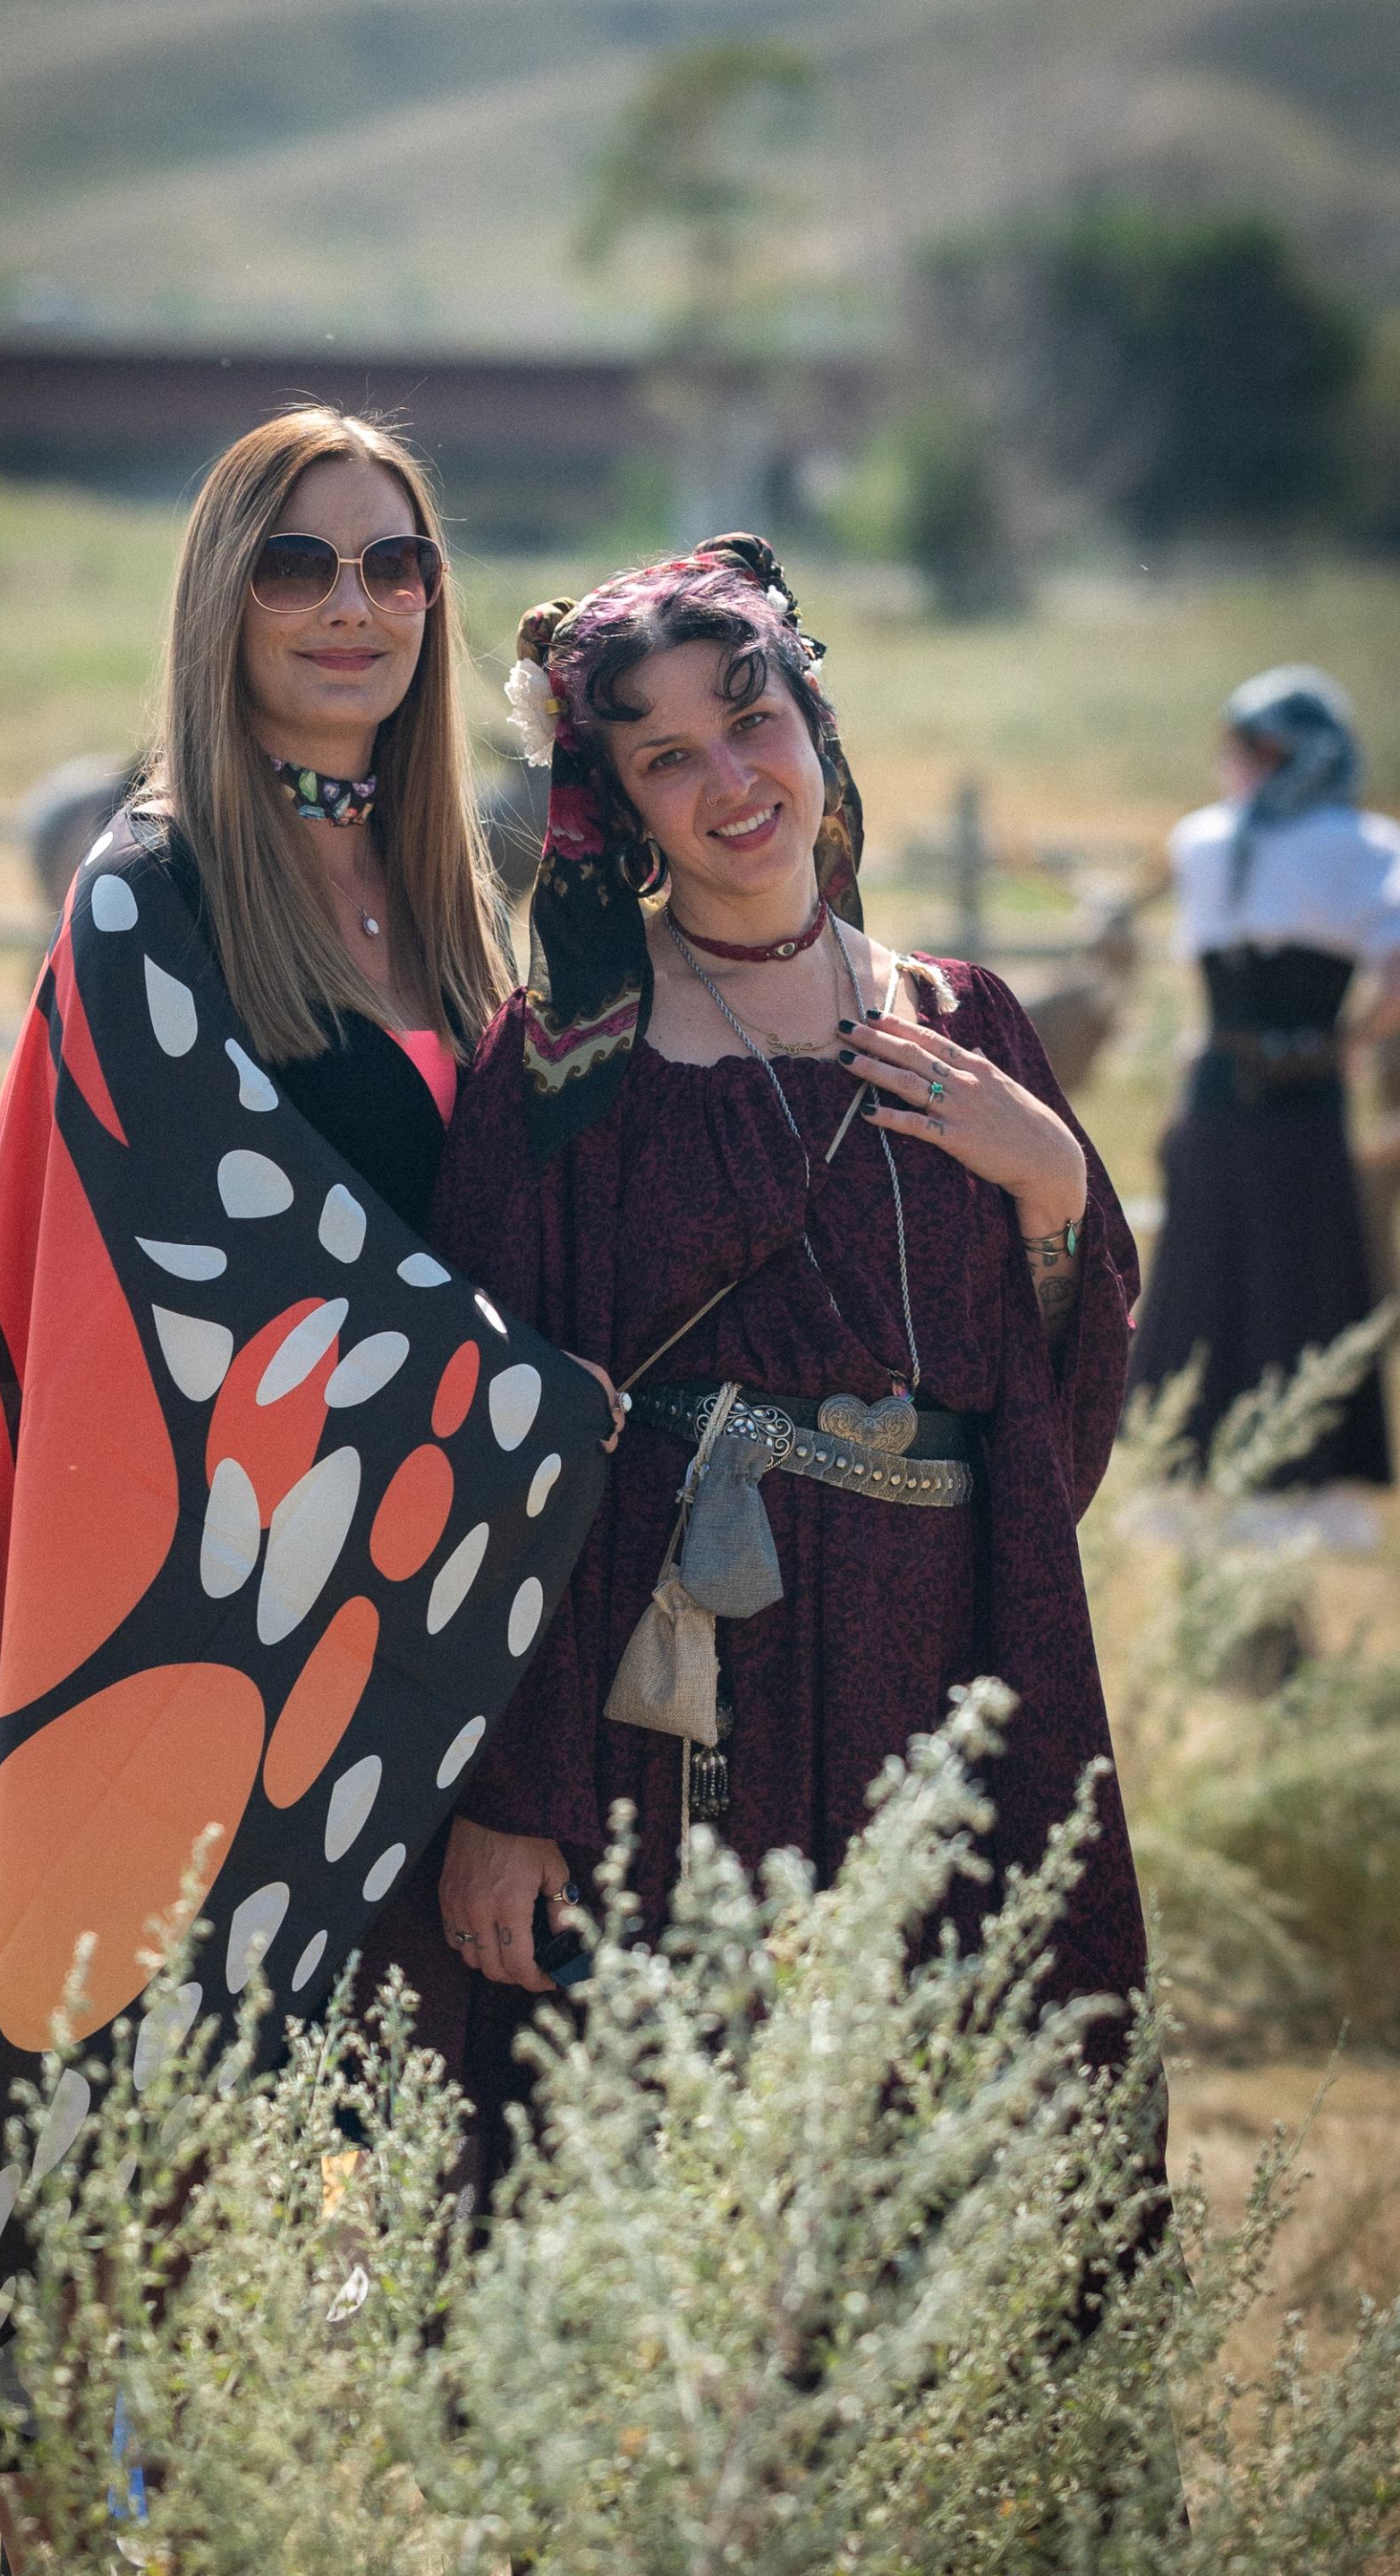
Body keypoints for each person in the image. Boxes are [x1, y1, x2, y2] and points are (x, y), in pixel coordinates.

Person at [0, 407, 618, 2576]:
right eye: (299, 563)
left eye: (393, 565)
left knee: (240, 2220)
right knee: (112, 2162)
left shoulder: (434, 903)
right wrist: (546, 1419)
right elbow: (218, 1248)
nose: (353, 604)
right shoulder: (157, 886)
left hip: (357, 1657)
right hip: (156, 1637)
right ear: (222, 597)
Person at [350, 532, 1153, 2196]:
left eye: (752, 716)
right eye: (667, 756)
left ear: (813, 714)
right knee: (668, 2157)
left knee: (924, 2137)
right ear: (615, 804)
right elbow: (496, 1450)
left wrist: (1055, 1187)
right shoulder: (565, 1061)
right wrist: (512, 1792)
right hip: (674, 1704)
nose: (732, 779)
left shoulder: (971, 1024)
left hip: (939, 1681)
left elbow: (1059, 1435)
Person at [1127, 666, 1400, 1484]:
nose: (1234, 762)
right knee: (1302, 1279)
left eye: (1249, 746)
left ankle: (1192, 1468)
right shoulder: (1370, 847)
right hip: (1310, 1093)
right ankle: (1298, 1472)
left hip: (1218, 1087)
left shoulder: (1202, 840)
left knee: (1206, 1274)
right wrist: (1348, 1042)